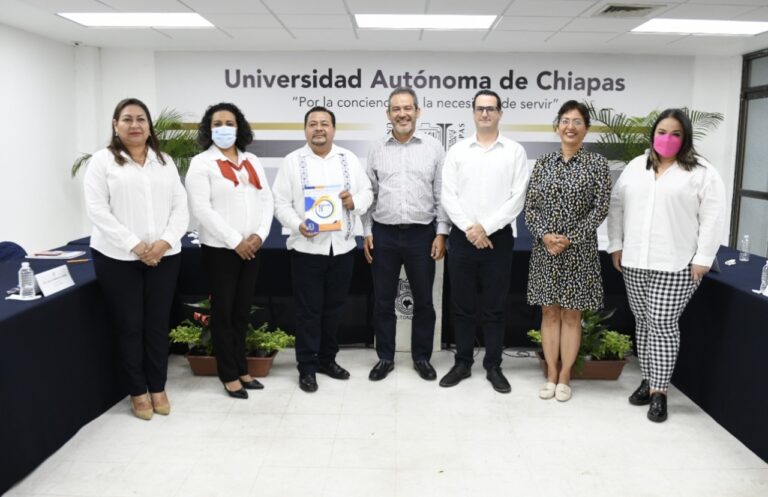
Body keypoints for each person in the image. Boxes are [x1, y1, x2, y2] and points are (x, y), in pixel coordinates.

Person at [607, 108, 725, 422]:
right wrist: (615, 244)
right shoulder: (636, 167)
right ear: (653, 135)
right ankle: (649, 379)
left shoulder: (701, 171)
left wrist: (703, 258)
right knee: (643, 322)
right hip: (635, 260)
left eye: (675, 133)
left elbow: (712, 218)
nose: (667, 138)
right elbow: (617, 206)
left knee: (662, 324)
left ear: (684, 137)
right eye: (662, 132)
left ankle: (660, 392)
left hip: (677, 264)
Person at [84, 98, 189, 420]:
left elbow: (179, 207)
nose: (135, 125)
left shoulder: (164, 161)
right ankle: (138, 391)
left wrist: (163, 243)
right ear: (115, 125)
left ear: (149, 126)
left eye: (141, 119)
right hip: (117, 257)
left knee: (157, 325)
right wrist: (135, 245)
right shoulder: (102, 162)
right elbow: (97, 210)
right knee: (130, 326)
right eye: (127, 119)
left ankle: (158, 386)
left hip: (164, 256)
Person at [273, 106, 372, 393]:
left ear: (333, 129)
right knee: (308, 312)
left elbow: (367, 192)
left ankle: (328, 359)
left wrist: (353, 201)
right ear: (305, 130)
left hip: (341, 248)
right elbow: (280, 203)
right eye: (313, 124)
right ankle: (306, 367)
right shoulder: (292, 161)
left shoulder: (348, 159)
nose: (319, 129)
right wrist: (297, 223)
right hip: (306, 248)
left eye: (324, 124)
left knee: (334, 310)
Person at [439, 90, 530, 393]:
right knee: (462, 305)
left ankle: (493, 365)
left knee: (494, 307)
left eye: (491, 109)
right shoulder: (458, 151)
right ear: (473, 113)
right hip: (463, 238)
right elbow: (448, 195)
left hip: (499, 238)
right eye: (480, 109)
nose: (485, 114)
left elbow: (518, 197)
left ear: (500, 113)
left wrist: (486, 228)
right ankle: (463, 362)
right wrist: (471, 229)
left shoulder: (514, 151)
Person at [524, 100, 612, 402]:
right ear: (557, 126)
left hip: (580, 252)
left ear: (586, 128)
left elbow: (600, 209)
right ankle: (550, 373)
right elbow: (531, 207)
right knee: (549, 313)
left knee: (572, 315)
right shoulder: (543, 163)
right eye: (565, 120)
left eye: (576, 121)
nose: (570, 126)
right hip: (545, 250)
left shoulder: (597, 165)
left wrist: (570, 237)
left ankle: (565, 377)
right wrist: (546, 236)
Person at [186, 102, 274, 399]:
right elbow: (201, 208)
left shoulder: (252, 161)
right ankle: (228, 373)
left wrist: (260, 234)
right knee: (223, 313)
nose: (224, 128)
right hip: (221, 250)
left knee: (241, 311)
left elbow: (267, 201)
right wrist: (235, 240)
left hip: (252, 248)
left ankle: (242, 367)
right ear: (209, 129)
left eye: (230, 123)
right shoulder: (202, 163)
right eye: (218, 123)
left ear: (240, 127)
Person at [362, 87, 449, 382]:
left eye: (407, 108)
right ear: (388, 114)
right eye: (396, 109)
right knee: (383, 301)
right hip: (383, 235)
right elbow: (369, 194)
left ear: (418, 112)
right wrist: (366, 232)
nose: (402, 113)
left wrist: (441, 234)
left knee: (424, 301)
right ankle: (385, 358)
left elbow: (441, 195)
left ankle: (421, 357)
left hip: (421, 235)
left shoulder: (434, 148)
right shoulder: (376, 148)